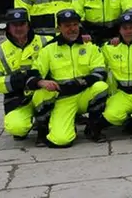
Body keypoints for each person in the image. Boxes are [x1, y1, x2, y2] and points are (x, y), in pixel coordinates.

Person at [26, 9, 109, 147]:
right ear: (59, 28)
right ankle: (46, 128)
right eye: (67, 26)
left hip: (84, 94)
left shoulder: (90, 46)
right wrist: (41, 81)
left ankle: (94, 127)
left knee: (101, 87)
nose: (72, 29)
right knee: (61, 140)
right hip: (63, 98)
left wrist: (78, 83)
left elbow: (100, 73)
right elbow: (33, 73)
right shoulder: (49, 49)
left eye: (75, 25)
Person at [0, 8, 48, 140]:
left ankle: (47, 121)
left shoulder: (46, 41)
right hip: (19, 99)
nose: (19, 28)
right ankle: (31, 121)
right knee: (16, 128)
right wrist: (15, 81)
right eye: (14, 25)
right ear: (8, 28)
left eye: (22, 24)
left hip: (45, 94)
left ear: (28, 25)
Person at [101, 11, 132, 134]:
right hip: (123, 93)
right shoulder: (109, 48)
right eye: (125, 28)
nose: (128, 31)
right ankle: (129, 119)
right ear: (119, 30)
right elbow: (93, 54)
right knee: (111, 115)